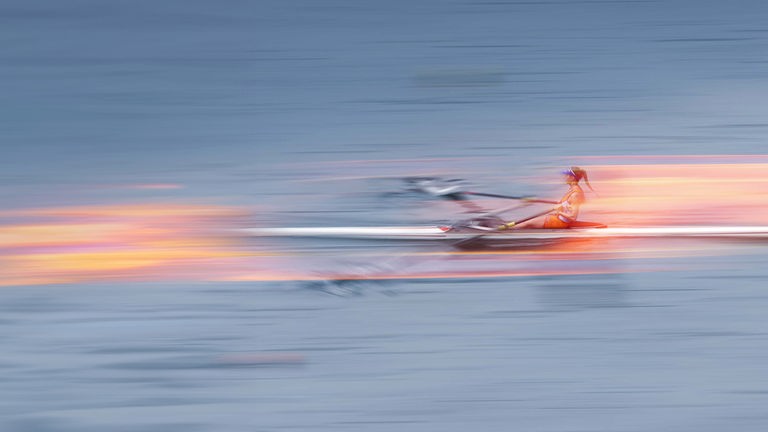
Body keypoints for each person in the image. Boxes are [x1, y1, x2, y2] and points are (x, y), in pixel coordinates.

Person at [500, 166, 594, 229]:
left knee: (528, 223)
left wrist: (559, 211)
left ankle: (505, 230)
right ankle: (510, 227)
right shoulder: (572, 190)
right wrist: (537, 200)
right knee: (530, 221)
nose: (564, 177)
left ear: (572, 178)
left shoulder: (575, 194)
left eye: (567, 175)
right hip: (557, 218)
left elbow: (572, 216)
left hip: (561, 222)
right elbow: (563, 203)